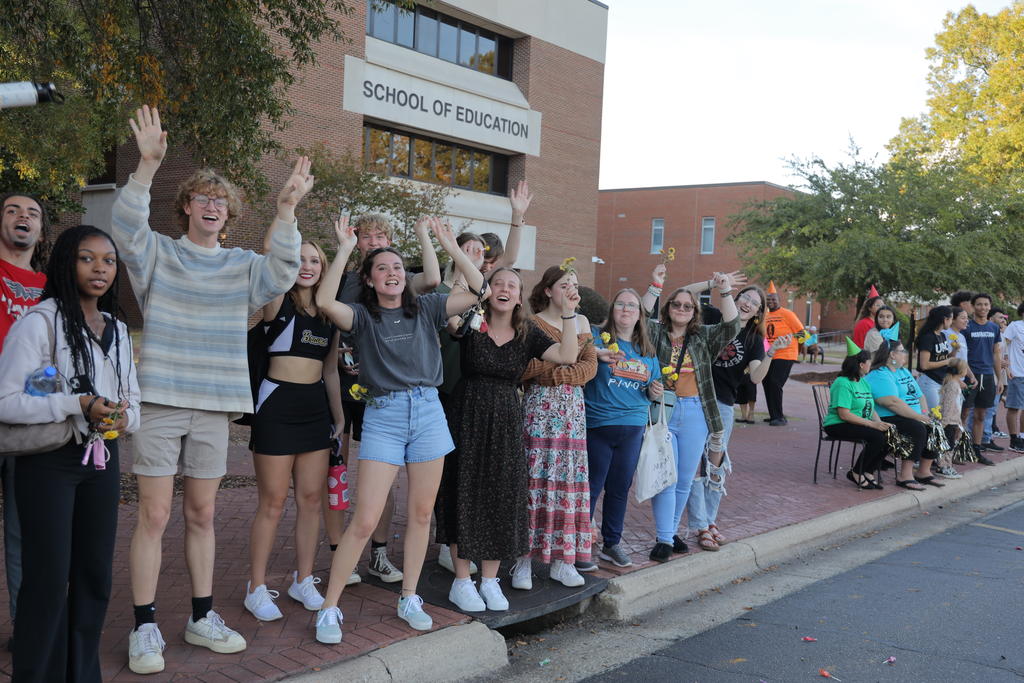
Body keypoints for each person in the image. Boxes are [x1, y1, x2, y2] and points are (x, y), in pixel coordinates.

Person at [111, 107, 309, 674]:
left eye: (221, 201)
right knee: (152, 516)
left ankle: (201, 616)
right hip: (162, 401)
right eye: (203, 198)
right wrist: (147, 167)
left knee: (201, 513)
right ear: (188, 207)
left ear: (229, 214)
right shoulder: (159, 256)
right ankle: (145, 626)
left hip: (214, 407)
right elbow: (127, 227)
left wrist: (288, 210)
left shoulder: (245, 267)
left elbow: (282, 271)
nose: (213, 206)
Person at [312, 215, 484, 643]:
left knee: (422, 513)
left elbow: (477, 287)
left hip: (428, 412)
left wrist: (449, 244)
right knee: (366, 518)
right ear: (369, 280)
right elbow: (324, 302)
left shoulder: (425, 307)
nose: (392, 273)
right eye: (382, 269)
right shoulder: (360, 316)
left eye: (396, 268)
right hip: (384, 416)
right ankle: (329, 608)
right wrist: (346, 251)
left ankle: (409, 596)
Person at [0, 225, 140, 681]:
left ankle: (82, 674)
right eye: (87, 258)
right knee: (46, 580)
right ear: (65, 262)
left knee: (94, 577)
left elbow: (131, 398)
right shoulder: (38, 323)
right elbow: (6, 402)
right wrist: (76, 403)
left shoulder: (117, 329)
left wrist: (123, 418)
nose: (100, 269)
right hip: (49, 463)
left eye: (108, 261)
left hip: (101, 460)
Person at [437, 266, 579, 611]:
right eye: (497, 283)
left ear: (519, 296)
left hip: (505, 418)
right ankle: (461, 581)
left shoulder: (527, 332)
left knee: (501, 497)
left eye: (511, 285)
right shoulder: (471, 321)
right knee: (463, 493)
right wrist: (460, 268)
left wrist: (570, 314)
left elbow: (567, 356)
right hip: (466, 413)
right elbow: (447, 316)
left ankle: (489, 580)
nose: (504, 289)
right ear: (488, 290)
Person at [329, 213, 441, 586]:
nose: (374, 241)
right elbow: (328, 310)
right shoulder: (346, 281)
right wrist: (342, 251)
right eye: (367, 236)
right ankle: (338, 553)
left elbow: (433, 281)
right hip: (347, 388)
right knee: (340, 472)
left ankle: (378, 553)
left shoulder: (404, 285)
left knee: (390, 484)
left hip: (391, 392)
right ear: (357, 244)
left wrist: (428, 235)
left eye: (382, 236)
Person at [243, 240, 344, 622]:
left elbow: (331, 370)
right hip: (277, 408)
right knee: (272, 502)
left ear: (324, 267)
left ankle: (303, 580)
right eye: (299, 259)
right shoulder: (278, 300)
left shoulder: (329, 314)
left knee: (310, 499)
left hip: (314, 411)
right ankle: (256, 587)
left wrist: (338, 417)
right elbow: (271, 253)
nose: (307, 266)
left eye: (315, 260)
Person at [686, 285, 790, 549]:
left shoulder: (754, 339)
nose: (748, 303)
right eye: (745, 297)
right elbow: (684, 294)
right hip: (693, 398)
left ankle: (710, 521)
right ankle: (700, 525)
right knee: (691, 464)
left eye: (755, 302)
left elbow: (756, 377)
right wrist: (713, 284)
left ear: (758, 312)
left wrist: (771, 352)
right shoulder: (712, 317)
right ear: (735, 298)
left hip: (722, 405)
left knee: (715, 466)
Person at [648, 273, 740, 562]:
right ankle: (664, 538)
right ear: (668, 308)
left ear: (694, 312)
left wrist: (723, 291)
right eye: (677, 304)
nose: (682, 309)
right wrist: (657, 285)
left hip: (696, 412)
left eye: (688, 306)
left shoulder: (703, 337)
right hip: (663, 411)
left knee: (685, 479)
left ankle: (670, 532)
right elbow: (639, 312)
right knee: (665, 478)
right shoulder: (654, 332)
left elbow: (732, 325)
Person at [515, 265, 597, 586]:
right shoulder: (532, 323)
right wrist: (561, 365)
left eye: (575, 285)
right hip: (539, 411)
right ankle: (522, 560)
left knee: (567, 483)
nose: (571, 290)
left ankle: (563, 561)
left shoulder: (583, 322)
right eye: (565, 285)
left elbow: (588, 367)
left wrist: (557, 372)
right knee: (534, 481)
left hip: (572, 415)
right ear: (548, 290)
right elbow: (525, 368)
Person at [584, 289, 663, 568]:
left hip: (632, 427)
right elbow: (578, 353)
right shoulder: (597, 338)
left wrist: (655, 392)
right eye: (620, 304)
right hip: (598, 424)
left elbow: (651, 391)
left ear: (640, 314)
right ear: (612, 309)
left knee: (619, 488)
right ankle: (580, 545)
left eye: (632, 305)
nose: (626, 309)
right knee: (591, 487)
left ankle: (612, 544)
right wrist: (597, 353)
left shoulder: (647, 351)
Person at [0, 192, 49, 629]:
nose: (22, 218)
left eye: (32, 213)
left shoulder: (51, 289)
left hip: (24, 421)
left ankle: (24, 629)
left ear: (40, 229)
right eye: (12, 210)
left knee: (22, 531)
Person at [865, 340, 944, 491]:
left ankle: (923, 472)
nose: (906, 354)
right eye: (902, 351)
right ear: (892, 354)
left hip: (910, 415)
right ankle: (905, 475)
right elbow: (892, 403)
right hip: (887, 416)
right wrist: (918, 417)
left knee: (934, 426)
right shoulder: (880, 374)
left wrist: (924, 414)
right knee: (918, 428)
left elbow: (920, 396)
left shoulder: (904, 371)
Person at [822, 339, 891, 489]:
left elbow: (870, 408)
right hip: (838, 424)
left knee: (889, 435)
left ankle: (868, 471)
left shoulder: (863, 382)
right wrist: (873, 425)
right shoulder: (842, 383)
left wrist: (881, 424)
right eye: (869, 362)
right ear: (861, 365)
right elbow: (844, 415)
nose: (870, 365)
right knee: (877, 437)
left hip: (857, 422)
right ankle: (856, 472)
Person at [963, 293, 1003, 461]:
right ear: (973, 307)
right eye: (979, 304)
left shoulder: (993, 328)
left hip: (987, 376)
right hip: (969, 376)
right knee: (962, 415)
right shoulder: (967, 327)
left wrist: (999, 377)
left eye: (986, 304)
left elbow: (996, 353)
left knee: (981, 415)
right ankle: (957, 448)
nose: (983, 308)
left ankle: (976, 450)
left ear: (990, 306)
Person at [762, 281, 805, 426]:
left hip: (786, 354)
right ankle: (773, 414)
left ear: (779, 300)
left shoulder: (788, 314)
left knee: (775, 382)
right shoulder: (764, 316)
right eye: (768, 300)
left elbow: (801, 334)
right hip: (770, 354)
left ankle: (779, 417)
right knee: (766, 382)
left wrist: (800, 350)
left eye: (773, 299)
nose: (771, 302)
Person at [915, 306, 955, 409]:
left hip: (940, 380)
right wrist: (947, 361)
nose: (951, 322)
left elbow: (943, 358)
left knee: (939, 415)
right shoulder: (928, 337)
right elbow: (924, 365)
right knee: (933, 416)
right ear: (945, 319)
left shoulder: (942, 335)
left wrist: (955, 350)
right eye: (951, 319)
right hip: (929, 381)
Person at [936, 358, 968, 479]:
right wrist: (944, 422)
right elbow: (948, 405)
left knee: (951, 445)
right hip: (948, 422)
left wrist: (958, 421)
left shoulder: (955, 384)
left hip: (954, 420)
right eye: (965, 368)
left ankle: (947, 465)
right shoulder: (952, 386)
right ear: (960, 371)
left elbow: (957, 405)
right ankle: (943, 467)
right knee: (947, 446)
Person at [1002, 302, 1024, 453]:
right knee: (1014, 407)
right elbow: (1002, 345)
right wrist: (1006, 367)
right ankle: (1014, 439)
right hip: (1017, 373)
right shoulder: (1015, 326)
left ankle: (1022, 437)